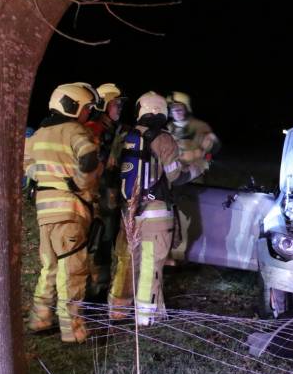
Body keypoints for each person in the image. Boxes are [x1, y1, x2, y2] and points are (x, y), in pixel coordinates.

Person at [108, 92, 201, 324]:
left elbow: (112, 170)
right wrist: (198, 168)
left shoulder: (126, 136)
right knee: (151, 266)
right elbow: (175, 176)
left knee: (130, 263)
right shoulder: (163, 139)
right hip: (156, 215)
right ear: (161, 111)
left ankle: (118, 311)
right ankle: (146, 318)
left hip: (130, 212)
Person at [24, 83, 102, 343]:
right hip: (70, 211)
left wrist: (44, 180)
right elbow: (90, 158)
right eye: (87, 108)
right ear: (74, 106)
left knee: (49, 268)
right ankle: (73, 332)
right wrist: (78, 183)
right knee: (73, 272)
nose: (88, 114)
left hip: (44, 214)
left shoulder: (38, 135)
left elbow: (26, 165)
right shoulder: (74, 130)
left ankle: (39, 319)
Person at [85, 83, 130, 299]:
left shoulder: (117, 130)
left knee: (110, 243)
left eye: (121, 104)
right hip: (99, 199)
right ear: (103, 105)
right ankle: (94, 293)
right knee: (99, 244)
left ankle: (103, 290)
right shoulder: (94, 130)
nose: (120, 108)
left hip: (112, 198)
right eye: (116, 104)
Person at [166, 91, 221, 176]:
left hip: (195, 168)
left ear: (186, 109)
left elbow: (212, 150)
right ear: (170, 112)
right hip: (175, 169)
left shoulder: (199, 125)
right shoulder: (169, 127)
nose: (177, 112)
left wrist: (207, 160)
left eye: (180, 109)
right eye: (173, 109)